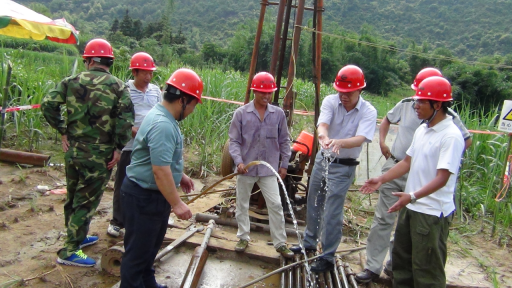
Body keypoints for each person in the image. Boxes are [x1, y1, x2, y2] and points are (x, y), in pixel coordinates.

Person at [356, 68, 472, 283]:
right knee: (402, 265)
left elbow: (442, 178)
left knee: (426, 270)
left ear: (437, 105)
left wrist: (413, 196)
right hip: (412, 206)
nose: (415, 106)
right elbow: (407, 162)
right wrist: (381, 179)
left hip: (431, 212)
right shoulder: (423, 129)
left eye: (421, 102)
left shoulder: (451, 136)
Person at [41, 38, 134, 267]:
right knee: (86, 202)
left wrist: (63, 129)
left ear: (89, 60)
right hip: (100, 154)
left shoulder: (71, 82)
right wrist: (118, 148)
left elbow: (47, 104)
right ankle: (70, 250)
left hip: (74, 150)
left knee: (73, 197)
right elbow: (125, 121)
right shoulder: (118, 86)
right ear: (109, 62)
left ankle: (78, 237)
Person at [290, 65, 377, 272]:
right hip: (323, 160)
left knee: (332, 211)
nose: (343, 96)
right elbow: (323, 124)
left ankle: (327, 256)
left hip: (344, 166)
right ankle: (309, 242)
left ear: (359, 91)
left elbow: (360, 139)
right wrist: (323, 137)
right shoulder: (331, 101)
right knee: (314, 202)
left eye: (348, 93)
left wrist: (340, 142)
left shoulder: (368, 111)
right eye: (341, 92)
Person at [120, 68, 201, 288]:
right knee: (137, 256)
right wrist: (177, 203)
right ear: (183, 100)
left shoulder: (160, 114)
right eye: (193, 105)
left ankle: (149, 284)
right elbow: (159, 170)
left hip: (151, 195)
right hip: (144, 197)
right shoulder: (163, 124)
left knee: (148, 250)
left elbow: (158, 158)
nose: (192, 111)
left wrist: (180, 175)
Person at [228, 72, 294, 259]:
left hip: (268, 168)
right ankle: (243, 237)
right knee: (242, 203)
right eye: (262, 93)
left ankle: (280, 243)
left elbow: (284, 141)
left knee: (275, 204)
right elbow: (233, 141)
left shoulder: (278, 114)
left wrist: (284, 165)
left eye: (269, 93)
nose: (266, 96)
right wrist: (239, 162)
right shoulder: (241, 114)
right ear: (254, 91)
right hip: (246, 168)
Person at [107, 52, 161, 238]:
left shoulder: (155, 91)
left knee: (151, 181)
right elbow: (116, 116)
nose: (148, 77)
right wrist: (133, 130)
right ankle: (117, 221)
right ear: (135, 72)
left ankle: (142, 218)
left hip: (150, 146)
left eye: (150, 73)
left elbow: (161, 112)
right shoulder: (124, 90)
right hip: (130, 146)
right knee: (123, 183)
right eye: (144, 73)